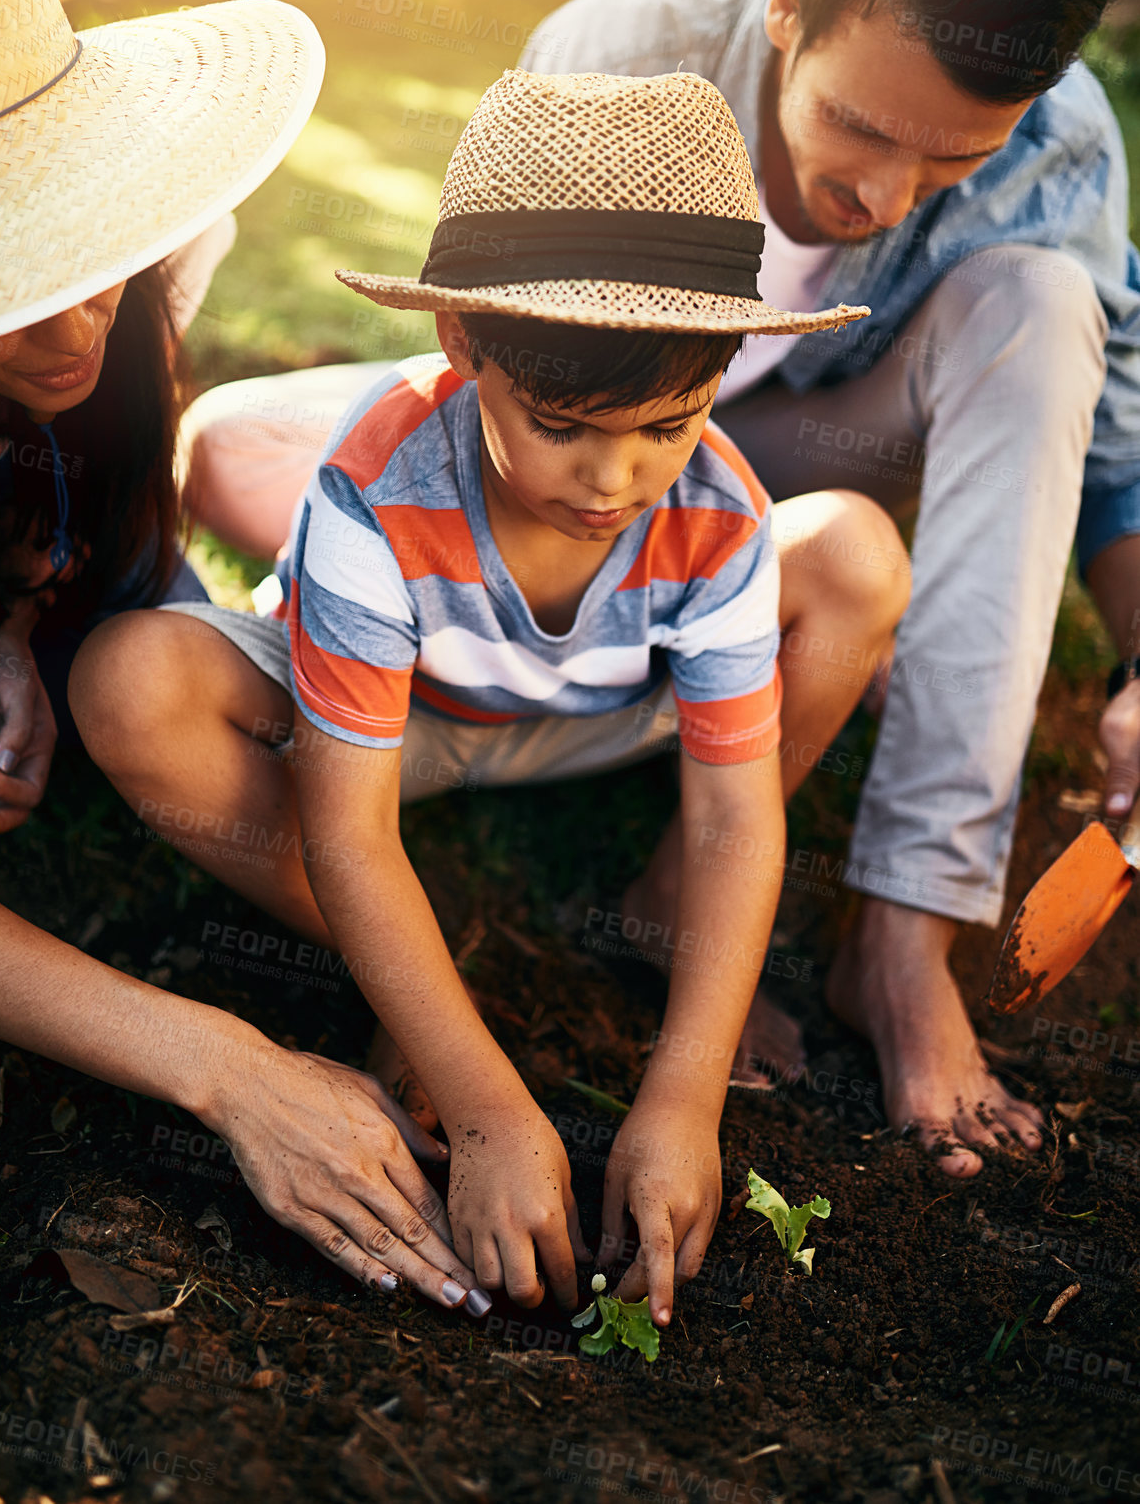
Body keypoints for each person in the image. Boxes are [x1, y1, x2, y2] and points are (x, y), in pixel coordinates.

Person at [72, 65, 909, 1324]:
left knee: (853, 548)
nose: (614, 478)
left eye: (667, 425)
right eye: (564, 424)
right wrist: (487, 1106)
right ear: (462, 345)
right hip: (389, 734)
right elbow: (350, 827)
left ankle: (647, 909)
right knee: (129, 682)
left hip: (597, 718)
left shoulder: (718, 509)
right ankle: (415, 959)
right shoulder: (379, 483)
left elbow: (739, 815)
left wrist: (680, 1098)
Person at [503, 0, 1140, 1174]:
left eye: (950, 156)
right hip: (607, 480)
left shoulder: (1060, 139)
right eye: (857, 126)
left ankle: (903, 928)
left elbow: (1105, 461)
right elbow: (492, 378)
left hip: (820, 469)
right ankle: (690, 863)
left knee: (1042, 304)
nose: (883, 197)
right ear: (791, 2)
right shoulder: (622, 55)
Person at [0, 0, 488, 1317]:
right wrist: (235, 1067)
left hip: (84, 585)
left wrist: (18, 626)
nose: (83, 320)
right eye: (16, 280)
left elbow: (90, 483)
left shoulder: (133, 283)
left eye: (92, 258)